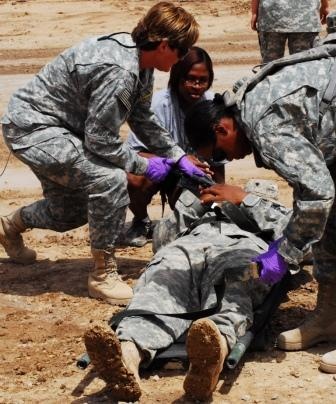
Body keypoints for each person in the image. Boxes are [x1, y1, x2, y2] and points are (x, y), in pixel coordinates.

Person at [0, 2, 207, 306]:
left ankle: (9, 226)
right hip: (33, 127)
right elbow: (101, 141)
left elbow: (142, 118)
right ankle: (102, 275)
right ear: (164, 45)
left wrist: (177, 157)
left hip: (65, 130)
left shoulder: (141, 63)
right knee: (109, 180)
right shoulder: (121, 70)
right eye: (180, 51)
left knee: (69, 212)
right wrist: (143, 165)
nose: (180, 60)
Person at [180, 36, 336, 373]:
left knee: (319, 203)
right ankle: (330, 314)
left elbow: (317, 193)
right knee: (328, 220)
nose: (229, 159)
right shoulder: (242, 100)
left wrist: (286, 254)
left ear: (222, 128)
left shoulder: (265, 125)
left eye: (220, 153)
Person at [84, 179, 291, 402]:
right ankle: (127, 357)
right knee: (159, 287)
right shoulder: (206, 215)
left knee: (232, 295)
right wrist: (195, 205)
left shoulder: (275, 217)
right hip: (188, 247)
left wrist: (248, 202)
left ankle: (212, 355)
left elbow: (302, 235)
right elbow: (160, 239)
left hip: (242, 249)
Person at [124, 46, 220, 247]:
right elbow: (133, 153)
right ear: (177, 77)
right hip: (160, 170)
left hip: (195, 175)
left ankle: (189, 220)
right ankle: (141, 221)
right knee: (133, 179)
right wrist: (174, 161)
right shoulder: (157, 105)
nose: (196, 86)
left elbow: (219, 159)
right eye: (190, 79)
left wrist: (218, 193)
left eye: (202, 80)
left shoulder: (215, 108)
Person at [251, 0, 330, 63]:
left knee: (270, 67)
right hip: (305, 16)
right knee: (305, 66)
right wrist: (325, 5)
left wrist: (254, 12)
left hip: (272, 15)